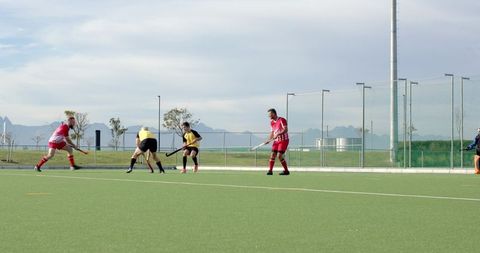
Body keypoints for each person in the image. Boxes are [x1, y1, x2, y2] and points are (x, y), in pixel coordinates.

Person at [265, 108, 290, 175]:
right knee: (272, 155)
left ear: (274, 113)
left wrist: (278, 134)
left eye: (270, 115)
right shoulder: (272, 122)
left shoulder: (282, 120)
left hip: (283, 140)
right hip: (276, 141)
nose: (269, 116)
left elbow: (286, 129)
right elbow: (272, 132)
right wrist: (269, 140)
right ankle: (270, 171)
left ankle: (286, 171)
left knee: (279, 156)